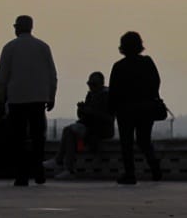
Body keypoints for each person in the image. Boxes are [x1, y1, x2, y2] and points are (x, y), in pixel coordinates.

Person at [0, 15, 57, 187]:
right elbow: (52, 74)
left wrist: (0, 100)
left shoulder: (9, 48)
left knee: (18, 138)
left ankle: (22, 175)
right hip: (38, 99)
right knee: (38, 138)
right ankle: (38, 171)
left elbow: (2, 76)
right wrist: (52, 96)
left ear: (17, 28)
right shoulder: (43, 47)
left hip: (17, 99)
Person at [108, 31, 165, 185]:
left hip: (125, 110)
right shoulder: (147, 62)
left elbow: (113, 91)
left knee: (126, 143)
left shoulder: (119, 66)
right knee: (144, 140)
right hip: (145, 108)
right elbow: (156, 82)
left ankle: (130, 173)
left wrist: (113, 109)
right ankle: (155, 168)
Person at [58, 72, 113, 175]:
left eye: (93, 84)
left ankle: (62, 163)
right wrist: (81, 110)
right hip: (90, 128)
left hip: (100, 130)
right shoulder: (91, 95)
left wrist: (89, 111)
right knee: (69, 133)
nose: (91, 86)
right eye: (89, 84)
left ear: (101, 84)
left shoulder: (106, 96)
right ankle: (66, 166)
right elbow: (84, 117)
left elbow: (107, 118)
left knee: (69, 131)